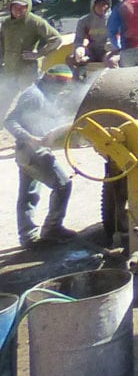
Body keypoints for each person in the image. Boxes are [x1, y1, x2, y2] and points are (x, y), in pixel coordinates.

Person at [5, 65, 74, 246]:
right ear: (49, 78)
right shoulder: (34, 95)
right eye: (61, 82)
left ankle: (28, 236)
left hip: (28, 153)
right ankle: (52, 228)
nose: (62, 87)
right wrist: (30, 139)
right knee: (63, 185)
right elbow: (9, 121)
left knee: (28, 194)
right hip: (32, 152)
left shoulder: (46, 93)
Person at [3, 0, 59, 83]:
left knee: (27, 94)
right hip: (8, 67)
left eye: (22, 7)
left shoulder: (36, 22)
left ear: (28, 7)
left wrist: (39, 54)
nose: (18, 10)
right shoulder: (5, 22)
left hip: (27, 67)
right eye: (15, 7)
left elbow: (56, 39)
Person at [71, 0, 116, 65]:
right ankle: (77, 75)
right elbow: (78, 39)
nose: (102, 8)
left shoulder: (115, 19)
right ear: (93, 6)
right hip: (92, 50)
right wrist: (79, 48)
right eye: (99, 5)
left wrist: (113, 45)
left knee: (111, 61)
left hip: (108, 50)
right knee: (71, 59)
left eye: (104, 5)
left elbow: (121, 37)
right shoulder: (84, 21)